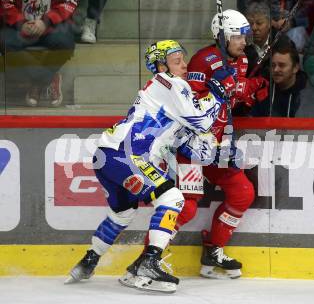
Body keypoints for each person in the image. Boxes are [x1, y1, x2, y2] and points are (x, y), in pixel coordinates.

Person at [65, 40, 229, 294]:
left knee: (122, 214)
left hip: (109, 155)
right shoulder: (169, 83)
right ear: (161, 66)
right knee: (173, 197)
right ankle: (149, 262)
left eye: (183, 60)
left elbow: (193, 145)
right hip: (127, 155)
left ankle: (88, 261)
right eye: (177, 61)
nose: (185, 65)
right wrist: (218, 95)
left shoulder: (169, 98)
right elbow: (200, 120)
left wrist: (212, 145)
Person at [120, 9, 267, 285]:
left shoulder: (244, 59)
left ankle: (213, 251)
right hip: (191, 145)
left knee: (243, 193)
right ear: (223, 35)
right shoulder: (204, 60)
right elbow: (189, 106)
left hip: (219, 146)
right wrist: (222, 88)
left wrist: (248, 89)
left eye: (246, 35)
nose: (244, 41)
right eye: (238, 35)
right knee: (186, 207)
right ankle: (143, 262)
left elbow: (234, 95)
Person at [1, 0, 77, 107]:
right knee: (5, 42)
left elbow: (67, 2)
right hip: (18, 28)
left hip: (52, 26)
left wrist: (45, 22)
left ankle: (36, 84)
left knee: (65, 43)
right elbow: (5, 1)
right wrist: (21, 23)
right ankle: (48, 78)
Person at [252, 35, 314, 117]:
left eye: (282, 65)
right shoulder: (264, 90)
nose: (276, 69)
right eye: (273, 65)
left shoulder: (309, 93)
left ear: (295, 68)